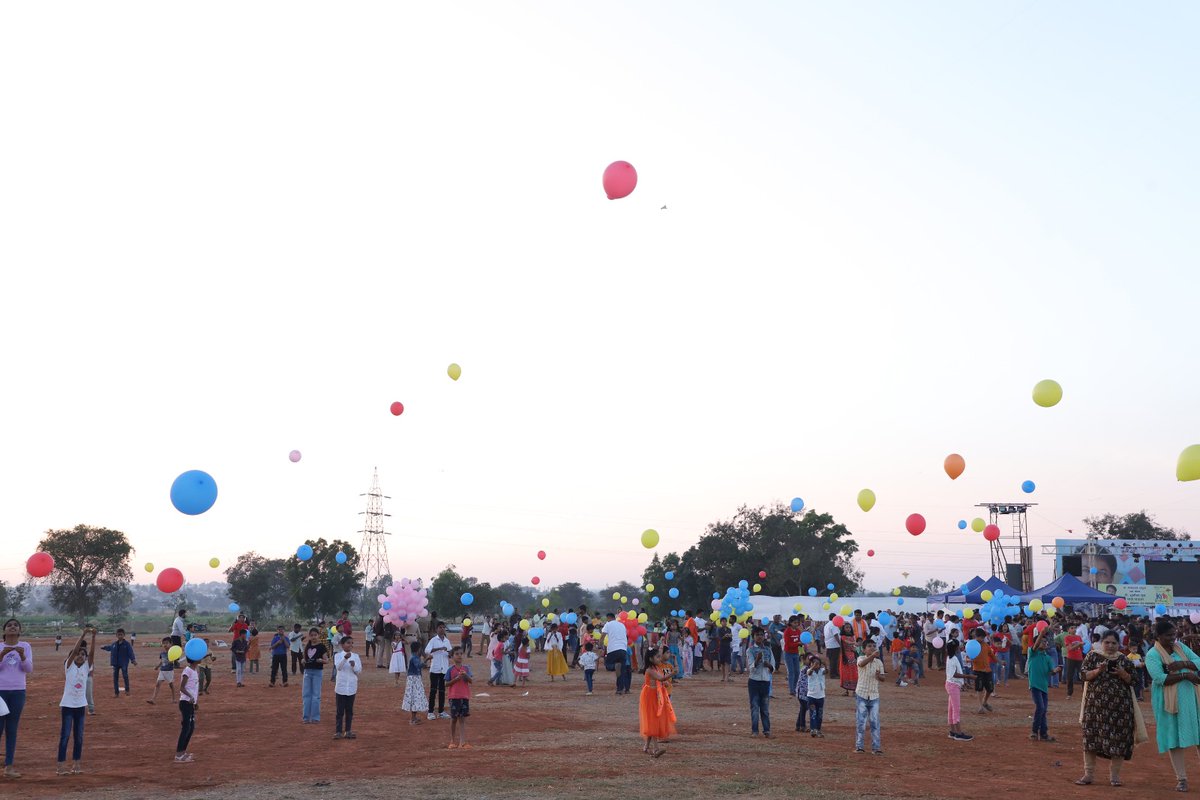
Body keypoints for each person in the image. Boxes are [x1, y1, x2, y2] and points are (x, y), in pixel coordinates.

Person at [1076, 630, 1142, 786]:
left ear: (1119, 644)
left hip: (1121, 709)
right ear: (1102, 643)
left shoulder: (1124, 660)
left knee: (1118, 741)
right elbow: (1083, 676)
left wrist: (1122, 673)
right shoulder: (1092, 656)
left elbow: (1134, 681)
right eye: (1107, 642)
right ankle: (1088, 775)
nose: (1110, 646)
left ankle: (1114, 777)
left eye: (1114, 643)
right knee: (1091, 740)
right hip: (1095, 708)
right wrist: (1099, 670)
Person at [1145, 619, 1200, 792]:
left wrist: (1182, 665)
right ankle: (1181, 779)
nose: (1172, 638)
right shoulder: (1153, 654)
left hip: (1191, 700)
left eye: (1174, 634)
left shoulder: (1180, 648)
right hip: (1169, 704)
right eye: (1168, 635)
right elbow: (1160, 678)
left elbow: (1198, 661)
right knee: (1174, 740)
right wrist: (1186, 675)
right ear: (1158, 636)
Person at [638, 648, 676, 758]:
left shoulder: (655, 668)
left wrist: (665, 683)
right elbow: (661, 678)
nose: (660, 658)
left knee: (653, 719)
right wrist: (672, 674)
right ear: (651, 659)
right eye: (657, 657)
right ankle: (655, 748)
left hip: (655, 694)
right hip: (650, 695)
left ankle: (646, 747)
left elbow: (661, 680)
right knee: (653, 720)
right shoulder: (650, 670)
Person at [1027, 623, 1061, 742]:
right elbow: (1035, 645)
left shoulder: (1047, 658)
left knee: (1043, 710)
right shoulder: (1033, 653)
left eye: (1046, 642)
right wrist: (1041, 633)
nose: (1045, 643)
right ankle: (1036, 732)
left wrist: (1055, 671)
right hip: (1035, 685)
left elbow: (1050, 672)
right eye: (1042, 641)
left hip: (1043, 686)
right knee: (1041, 708)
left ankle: (1042, 733)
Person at [853, 639, 885, 754]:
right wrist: (872, 656)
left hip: (874, 695)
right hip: (862, 693)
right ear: (863, 649)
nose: (872, 648)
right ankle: (859, 746)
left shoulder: (879, 663)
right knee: (861, 722)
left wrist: (879, 676)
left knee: (874, 722)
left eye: (873, 646)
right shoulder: (861, 658)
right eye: (869, 646)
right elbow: (862, 664)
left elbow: (883, 678)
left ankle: (876, 747)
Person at [746, 628, 776, 738]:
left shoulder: (768, 649)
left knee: (765, 708)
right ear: (753, 637)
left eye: (761, 635)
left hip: (765, 681)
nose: (759, 637)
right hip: (754, 681)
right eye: (757, 635)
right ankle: (755, 730)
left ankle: (767, 730)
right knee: (754, 707)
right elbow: (750, 667)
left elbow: (773, 666)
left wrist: (769, 666)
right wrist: (757, 660)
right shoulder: (750, 650)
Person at [332, 635, 361, 739]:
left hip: (352, 687)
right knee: (340, 711)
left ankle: (348, 731)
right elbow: (338, 667)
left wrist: (354, 665)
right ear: (342, 645)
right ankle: (338, 731)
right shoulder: (338, 655)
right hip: (341, 686)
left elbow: (358, 671)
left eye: (351, 643)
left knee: (349, 711)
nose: (350, 645)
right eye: (348, 643)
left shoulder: (356, 656)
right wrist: (345, 658)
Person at [944, 639, 974, 741]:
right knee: (956, 709)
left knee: (951, 708)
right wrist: (968, 676)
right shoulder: (954, 659)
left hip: (951, 684)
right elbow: (954, 674)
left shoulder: (949, 657)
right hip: (953, 685)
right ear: (956, 648)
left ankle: (953, 731)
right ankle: (958, 732)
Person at [446, 647, 473, 749]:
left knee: (462, 719)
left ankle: (462, 741)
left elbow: (470, 680)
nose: (459, 656)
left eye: (461, 654)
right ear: (452, 656)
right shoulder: (450, 669)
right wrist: (456, 679)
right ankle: (452, 740)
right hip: (454, 697)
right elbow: (446, 683)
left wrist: (465, 676)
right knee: (453, 719)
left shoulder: (466, 669)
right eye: (457, 654)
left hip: (464, 696)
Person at [425, 622, 453, 720]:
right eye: (440, 627)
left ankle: (441, 711)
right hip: (435, 668)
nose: (442, 629)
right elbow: (427, 650)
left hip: (444, 668)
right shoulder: (433, 640)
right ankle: (430, 711)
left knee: (442, 690)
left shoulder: (447, 641)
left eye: (443, 627)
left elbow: (450, 653)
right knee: (433, 690)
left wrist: (449, 653)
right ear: (437, 629)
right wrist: (439, 648)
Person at [174, 653, 199, 763]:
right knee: (186, 728)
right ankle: (179, 755)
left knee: (190, 728)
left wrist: (195, 702)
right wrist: (190, 697)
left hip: (190, 703)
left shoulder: (194, 671)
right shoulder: (187, 671)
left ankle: (183, 752)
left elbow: (193, 688)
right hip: (185, 702)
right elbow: (182, 688)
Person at [101, 628, 137, 698]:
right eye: (118, 635)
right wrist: (104, 647)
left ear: (124, 635)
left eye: (121, 635)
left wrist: (133, 660)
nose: (120, 636)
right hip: (115, 664)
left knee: (125, 676)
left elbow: (130, 653)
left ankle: (127, 690)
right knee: (115, 678)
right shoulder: (114, 644)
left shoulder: (127, 644)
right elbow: (109, 648)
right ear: (116, 635)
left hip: (124, 663)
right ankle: (116, 693)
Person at [301, 627, 326, 723]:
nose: (313, 637)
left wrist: (321, 661)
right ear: (309, 636)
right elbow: (304, 658)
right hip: (307, 671)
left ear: (318, 635)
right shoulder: (307, 646)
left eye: (315, 635)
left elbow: (326, 660)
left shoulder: (321, 646)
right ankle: (306, 717)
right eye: (311, 635)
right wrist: (303, 661)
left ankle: (315, 717)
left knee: (316, 695)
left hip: (317, 672)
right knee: (306, 695)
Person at [602, 613, 631, 695]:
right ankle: (620, 689)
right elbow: (625, 636)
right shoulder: (622, 625)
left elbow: (602, 636)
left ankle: (614, 667)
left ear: (608, 617)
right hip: (623, 649)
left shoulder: (608, 624)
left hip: (612, 649)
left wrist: (600, 646)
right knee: (621, 671)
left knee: (608, 665)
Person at [401, 641, 428, 725]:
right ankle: (412, 719)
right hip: (414, 679)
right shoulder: (415, 658)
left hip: (414, 678)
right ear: (418, 649)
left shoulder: (414, 657)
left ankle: (414, 717)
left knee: (414, 697)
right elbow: (419, 666)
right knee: (415, 697)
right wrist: (427, 659)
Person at [970, 629, 995, 714]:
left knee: (990, 688)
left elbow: (992, 655)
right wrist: (970, 660)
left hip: (987, 670)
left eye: (983, 637)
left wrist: (999, 661)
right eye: (980, 637)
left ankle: (984, 702)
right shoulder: (972, 645)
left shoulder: (986, 645)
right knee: (979, 689)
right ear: (976, 637)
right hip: (977, 670)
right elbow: (968, 657)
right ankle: (980, 706)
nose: (982, 639)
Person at [147, 637, 177, 705]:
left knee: (171, 685)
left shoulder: (172, 653)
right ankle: (153, 699)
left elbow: (172, 661)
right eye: (163, 643)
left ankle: (174, 699)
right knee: (157, 684)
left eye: (167, 643)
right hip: (162, 671)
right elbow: (162, 661)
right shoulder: (162, 653)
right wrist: (157, 667)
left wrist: (171, 661)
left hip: (169, 671)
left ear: (171, 644)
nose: (165, 645)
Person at [805, 653, 827, 738]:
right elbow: (809, 672)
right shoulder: (809, 670)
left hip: (821, 696)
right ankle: (813, 729)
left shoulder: (822, 670)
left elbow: (827, 671)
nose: (815, 664)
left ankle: (817, 729)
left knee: (819, 714)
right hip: (812, 696)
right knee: (813, 714)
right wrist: (814, 666)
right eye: (813, 663)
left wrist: (825, 665)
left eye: (817, 663)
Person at [1063, 623, 1085, 697]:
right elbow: (1070, 649)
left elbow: (1082, 649)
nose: (1074, 629)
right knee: (1070, 675)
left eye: (1075, 628)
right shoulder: (1067, 637)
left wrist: (1081, 646)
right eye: (1072, 628)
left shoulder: (1079, 637)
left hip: (1079, 658)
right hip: (1071, 658)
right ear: (1068, 630)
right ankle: (1069, 692)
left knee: (1083, 674)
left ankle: (1084, 690)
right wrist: (1079, 645)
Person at [839, 623, 858, 695]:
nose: (848, 629)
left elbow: (853, 646)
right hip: (845, 656)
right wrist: (855, 643)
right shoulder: (843, 637)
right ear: (843, 629)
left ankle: (854, 691)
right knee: (845, 672)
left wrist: (855, 647)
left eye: (849, 628)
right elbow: (848, 642)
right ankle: (847, 691)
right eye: (846, 628)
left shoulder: (853, 637)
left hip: (851, 656)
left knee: (853, 672)